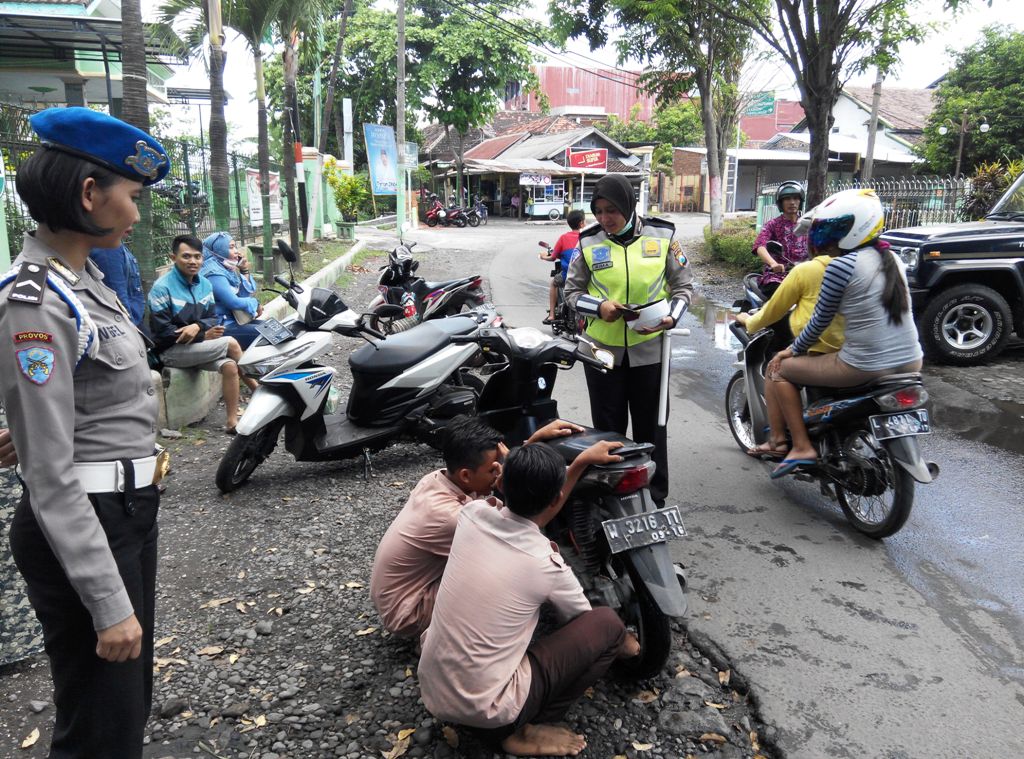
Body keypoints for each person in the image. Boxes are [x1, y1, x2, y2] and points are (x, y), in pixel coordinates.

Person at [0, 106, 171, 759]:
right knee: (100, 729)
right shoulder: (35, 298)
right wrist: (106, 600)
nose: (134, 214)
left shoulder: (88, 279)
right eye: (130, 196)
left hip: (125, 510)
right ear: (88, 193)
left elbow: (81, 397)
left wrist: (38, 427)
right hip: (87, 519)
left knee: (122, 712)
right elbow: (47, 471)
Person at [418, 442, 638, 757]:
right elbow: (583, 619)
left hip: (434, 686)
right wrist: (627, 643)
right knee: (608, 625)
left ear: (501, 482)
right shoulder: (545, 563)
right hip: (485, 710)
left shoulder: (471, 513)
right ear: (559, 498)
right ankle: (525, 727)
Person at [370, 415, 584, 639]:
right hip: (409, 611)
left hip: (401, 593)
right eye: (494, 470)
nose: (499, 473)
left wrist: (533, 443)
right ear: (465, 474)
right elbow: (531, 518)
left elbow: (507, 484)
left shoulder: (438, 479)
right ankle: (436, 637)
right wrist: (579, 465)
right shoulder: (453, 517)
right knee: (513, 569)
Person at [766, 188, 924, 478]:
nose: (826, 237)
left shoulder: (842, 265)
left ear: (855, 229)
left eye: (834, 229)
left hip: (863, 365)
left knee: (780, 371)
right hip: (913, 362)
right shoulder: (894, 260)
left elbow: (818, 323)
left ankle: (800, 446)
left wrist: (790, 351)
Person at [564, 173, 693, 505]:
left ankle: (655, 497)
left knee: (652, 428)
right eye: (599, 211)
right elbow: (572, 292)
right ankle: (614, 498)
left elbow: (684, 287)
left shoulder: (663, 235)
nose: (605, 218)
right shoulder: (588, 241)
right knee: (608, 430)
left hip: (649, 350)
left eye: (612, 210)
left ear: (628, 205)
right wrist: (599, 307)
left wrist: (670, 319)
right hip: (601, 353)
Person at [735, 251, 847, 458]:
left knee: (775, 368)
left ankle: (782, 441)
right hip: (889, 356)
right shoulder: (870, 266)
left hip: (833, 353)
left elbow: (781, 312)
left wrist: (749, 322)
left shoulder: (810, 270)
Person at [148, 235, 258, 434]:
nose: (193, 261)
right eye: (186, 256)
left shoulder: (205, 285)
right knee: (231, 343)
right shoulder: (161, 288)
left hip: (196, 349)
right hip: (171, 352)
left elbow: (212, 318)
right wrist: (202, 334)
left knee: (230, 366)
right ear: (173, 258)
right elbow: (162, 333)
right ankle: (259, 391)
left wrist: (197, 328)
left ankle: (232, 422)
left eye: (197, 257)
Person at [200, 231, 263, 348]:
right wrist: (256, 303)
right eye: (231, 247)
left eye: (235, 246)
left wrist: (244, 270)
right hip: (222, 327)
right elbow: (233, 302)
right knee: (270, 334)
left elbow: (243, 296)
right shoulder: (213, 272)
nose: (236, 251)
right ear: (218, 250)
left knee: (276, 328)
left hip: (235, 321)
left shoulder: (226, 268)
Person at [753, 181, 808, 298]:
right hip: (779, 275)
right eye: (787, 199)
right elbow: (760, 246)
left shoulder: (808, 225)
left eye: (795, 198)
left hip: (806, 274)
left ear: (800, 201)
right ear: (781, 203)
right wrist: (773, 264)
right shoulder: (772, 224)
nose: (792, 202)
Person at [539, 210, 585, 325]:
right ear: (581, 223)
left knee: (553, 283)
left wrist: (543, 257)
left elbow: (553, 257)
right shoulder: (586, 236)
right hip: (585, 276)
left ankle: (552, 315)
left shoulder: (564, 238)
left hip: (567, 276)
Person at [88, 243, 145, 328]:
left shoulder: (113, 246)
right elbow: (118, 298)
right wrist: (131, 328)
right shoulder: (107, 249)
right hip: (128, 324)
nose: (130, 229)